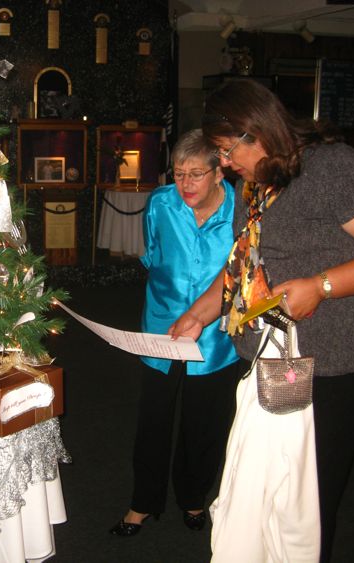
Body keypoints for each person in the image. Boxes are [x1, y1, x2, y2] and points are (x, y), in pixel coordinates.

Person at [169, 81, 354, 561]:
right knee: (262, 496)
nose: (223, 164)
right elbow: (242, 264)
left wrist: (321, 285)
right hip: (267, 358)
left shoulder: (335, 168)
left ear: (255, 132)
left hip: (328, 363)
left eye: (226, 151)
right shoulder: (258, 180)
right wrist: (198, 315)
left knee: (306, 508)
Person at [109, 129, 240, 537]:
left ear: (220, 173)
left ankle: (194, 497)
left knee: (206, 422)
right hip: (162, 330)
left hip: (217, 336)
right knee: (153, 419)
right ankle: (142, 503)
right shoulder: (160, 203)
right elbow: (152, 255)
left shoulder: (242, 210)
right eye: (179, 173)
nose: (184, 184)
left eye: (196, 174)